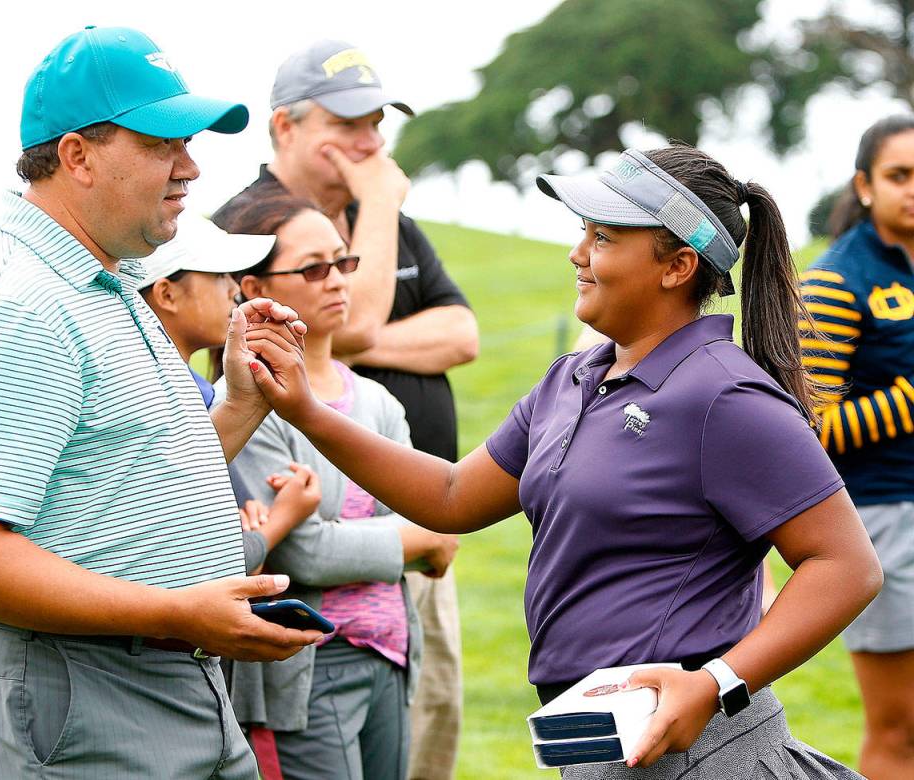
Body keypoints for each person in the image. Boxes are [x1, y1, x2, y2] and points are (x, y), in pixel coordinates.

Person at [241, 145, 883, 777]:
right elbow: (451, 496)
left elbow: (846, 565)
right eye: (584, 232)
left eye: (603, 238)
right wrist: (305, 409)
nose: (577, 253)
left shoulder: (725, 394)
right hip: (592, 739)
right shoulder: (571, 380)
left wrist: (718, 682)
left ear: (677, 266)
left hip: (695, 746)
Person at [0, 26, 323, 779]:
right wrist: (177, 614)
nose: (191, 166)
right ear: (77, 156)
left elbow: (119, 483)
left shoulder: (97, 278)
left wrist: (239, 402)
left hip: (155, 681)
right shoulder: (20, 304)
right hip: (90, 694)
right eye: (162, 141)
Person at [211, 41, 476, 779]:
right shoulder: (246, 226)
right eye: (350, 123)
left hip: (404, 571)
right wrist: (382, 207)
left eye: (378, 125)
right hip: (339, 607)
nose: (372, 146)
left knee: (428, 728)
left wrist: (369, 330)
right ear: (286, 127)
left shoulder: (378, 223)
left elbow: (461, 333)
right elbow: (352, 325)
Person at [799, 114, 914, 780]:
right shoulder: (835, 281)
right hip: (881, 520)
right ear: (865, 186)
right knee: (899, 730)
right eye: (900, 176)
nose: (912, 190)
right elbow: (806, 431)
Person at [137, 213, 319, 574]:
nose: (234, 288)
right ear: (166, 293)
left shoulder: (193, 391)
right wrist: (276, 523)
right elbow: (192, 549)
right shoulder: (165, 400)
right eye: (218, 275)